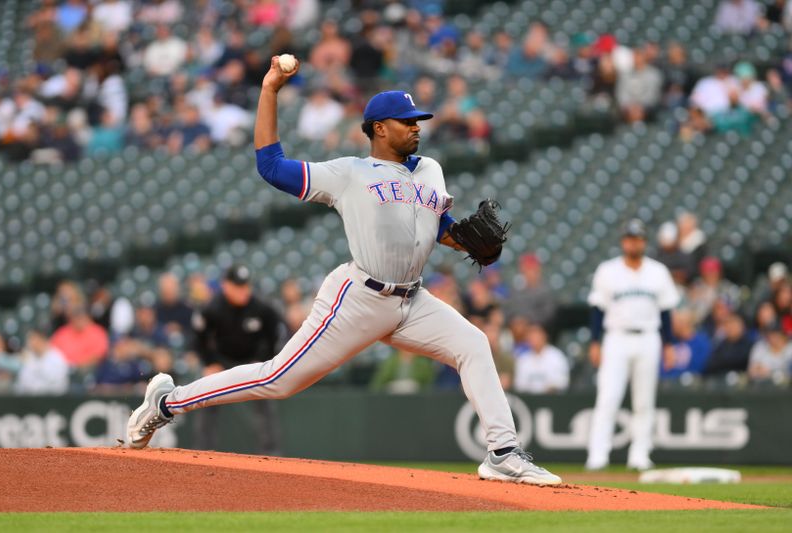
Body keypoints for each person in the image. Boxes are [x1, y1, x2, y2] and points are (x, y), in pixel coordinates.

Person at [127, 56, 562, 486]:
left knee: (473, 344)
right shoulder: (349, 173)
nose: (416, 126)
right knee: (278, 379)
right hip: (359, 298)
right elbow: (271, 167)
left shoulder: (431, 170)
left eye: (418, 120)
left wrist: (464, 241)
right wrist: (269, 91)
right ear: (378, 128)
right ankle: (167, 403)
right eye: (406, 120)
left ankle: (503, 453)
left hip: (412, 300)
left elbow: (436, 225)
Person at [586, 220, 680, 471]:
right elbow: (597, 309)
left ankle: (640, 454)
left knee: (644, 401)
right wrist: (595, 342)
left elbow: (666, 312)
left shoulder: (658, 271)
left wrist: (669, 345)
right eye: (629, 238)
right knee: (608, 397)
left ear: (644, 242)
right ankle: (598, 454)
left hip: (649, 336)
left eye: (637, 238)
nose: (633, 242)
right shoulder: (608, 270)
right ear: (623, 241)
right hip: (615, 337)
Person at [189, 265, 284, 454]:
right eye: (238, 286)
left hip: (252, 362)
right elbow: (198, 339)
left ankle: (272, 454)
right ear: (226, 286)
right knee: (206, 397)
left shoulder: (262, 309)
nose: (243, 290)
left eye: (246, 285)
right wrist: (209, 363)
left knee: (265, 403)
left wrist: (264, 361)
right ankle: (203, 451)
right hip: (222, 361)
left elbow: (275, 336)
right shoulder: (212, 309)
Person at [512, 324, 570, 394]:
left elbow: (563, 382)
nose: (533, 339)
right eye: (531, 337)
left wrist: (549, 388)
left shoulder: (557, 356)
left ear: (544, 336)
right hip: (529, 399)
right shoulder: (523, 359)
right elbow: (519, 385)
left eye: (536, 336)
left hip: (552, 398)